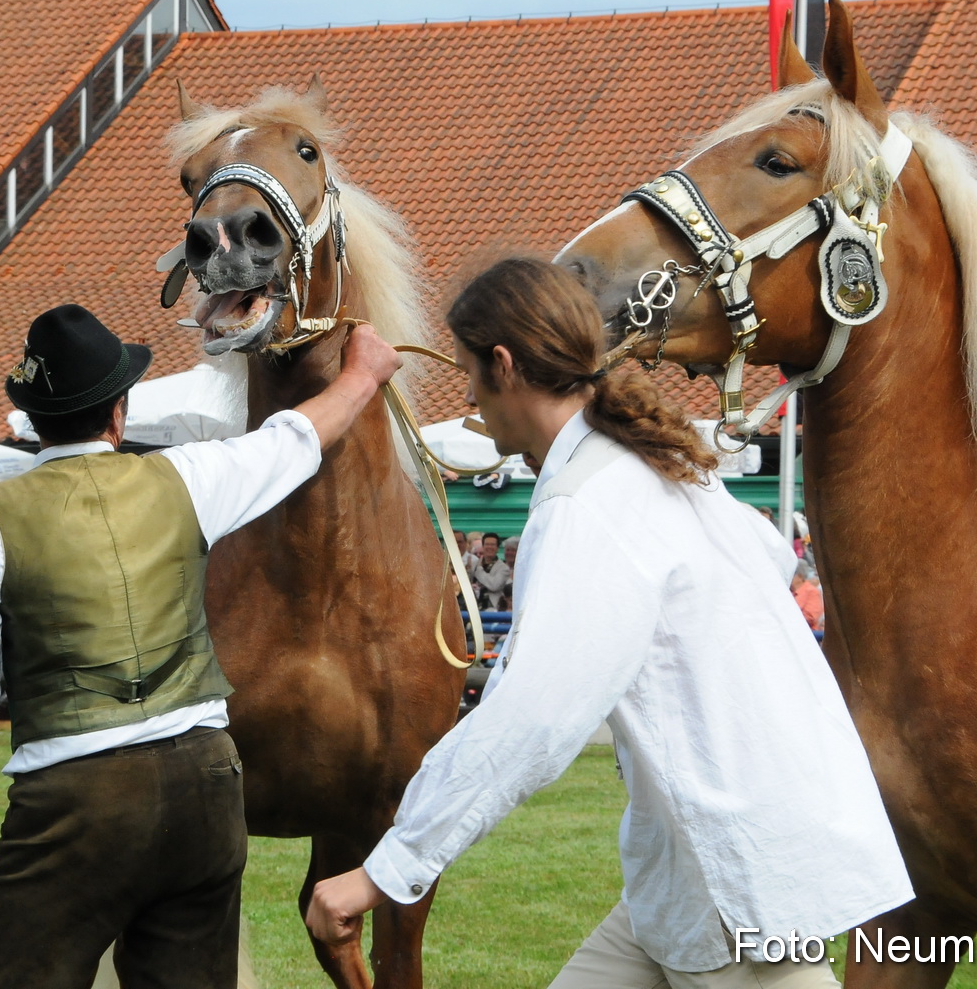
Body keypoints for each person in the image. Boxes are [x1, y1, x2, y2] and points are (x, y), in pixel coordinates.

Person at [306, 258, 911, 988]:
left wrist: (381, 872)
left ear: (503, 365)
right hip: (686, 875)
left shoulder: (590, 501)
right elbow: (768, 560)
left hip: (740, 885)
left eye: (468, 371)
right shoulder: (661, 469)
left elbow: (530, 719)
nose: (466, 394)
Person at [0, 303, 400, 989]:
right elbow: (294, 439)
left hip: (74, 799)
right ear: (118, 413)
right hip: (203, 784)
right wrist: (363, 374)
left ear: (31, 419)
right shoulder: (185, 477)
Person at [469, 531, 512, 612]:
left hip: (492, 608)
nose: (489, 547)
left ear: (497, 548)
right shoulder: (474, 563)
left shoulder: (503, 568)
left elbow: (494, 585)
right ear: (483, 546)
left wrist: (479, 571)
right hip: (473, 606)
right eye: (487, 544)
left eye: (492, 545)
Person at [792, 563, 824, 634]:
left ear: (800, 577)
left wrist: (789, 618)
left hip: (807, 633)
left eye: (792, 575)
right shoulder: (788, 592)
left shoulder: (811, 591)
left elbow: (811, 617)